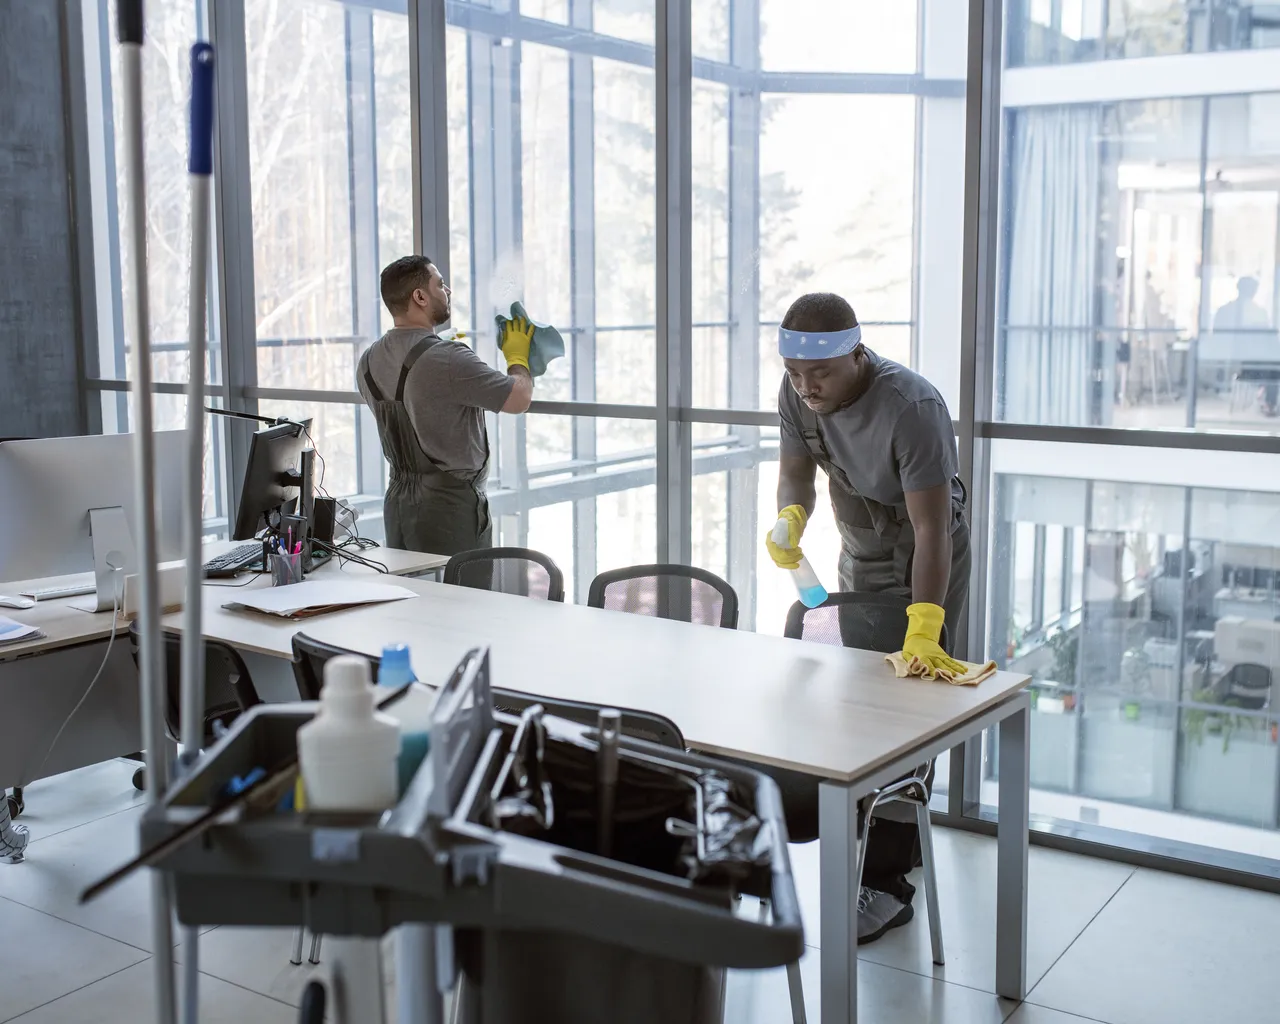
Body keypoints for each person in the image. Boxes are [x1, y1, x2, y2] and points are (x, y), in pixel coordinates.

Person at [766, 291, 969, 945]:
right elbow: (797, 474)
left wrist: (925, 623)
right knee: (861, 703)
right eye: (795, 373)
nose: (805, 387)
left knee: (909, 709)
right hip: (860, 544)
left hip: (926, 549)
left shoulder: (913, 407)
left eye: (818, 373)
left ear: (856, 354)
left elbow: (932, 527)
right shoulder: (796, 392)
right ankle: (874, 842)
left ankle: (888, 885)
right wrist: (790, 517)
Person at [358, 255, 534, 555]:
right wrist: (518, 358)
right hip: (449, 508)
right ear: (420, 296)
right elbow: (519, 398)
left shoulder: (369, 359)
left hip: (398, 505)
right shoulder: (448, 357)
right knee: (464, 598)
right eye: (440, 284)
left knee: (412, 596)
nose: (448, 290)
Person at [1213, 277, 1276, 415]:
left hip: (1229, 359)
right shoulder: (1258, 312)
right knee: (1274, 368)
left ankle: (1263, 392)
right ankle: (1267, 400)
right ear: (1254, 291)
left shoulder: (1224, 310)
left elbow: (1216, 335)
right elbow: (1266, 339)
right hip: (1247, 363)